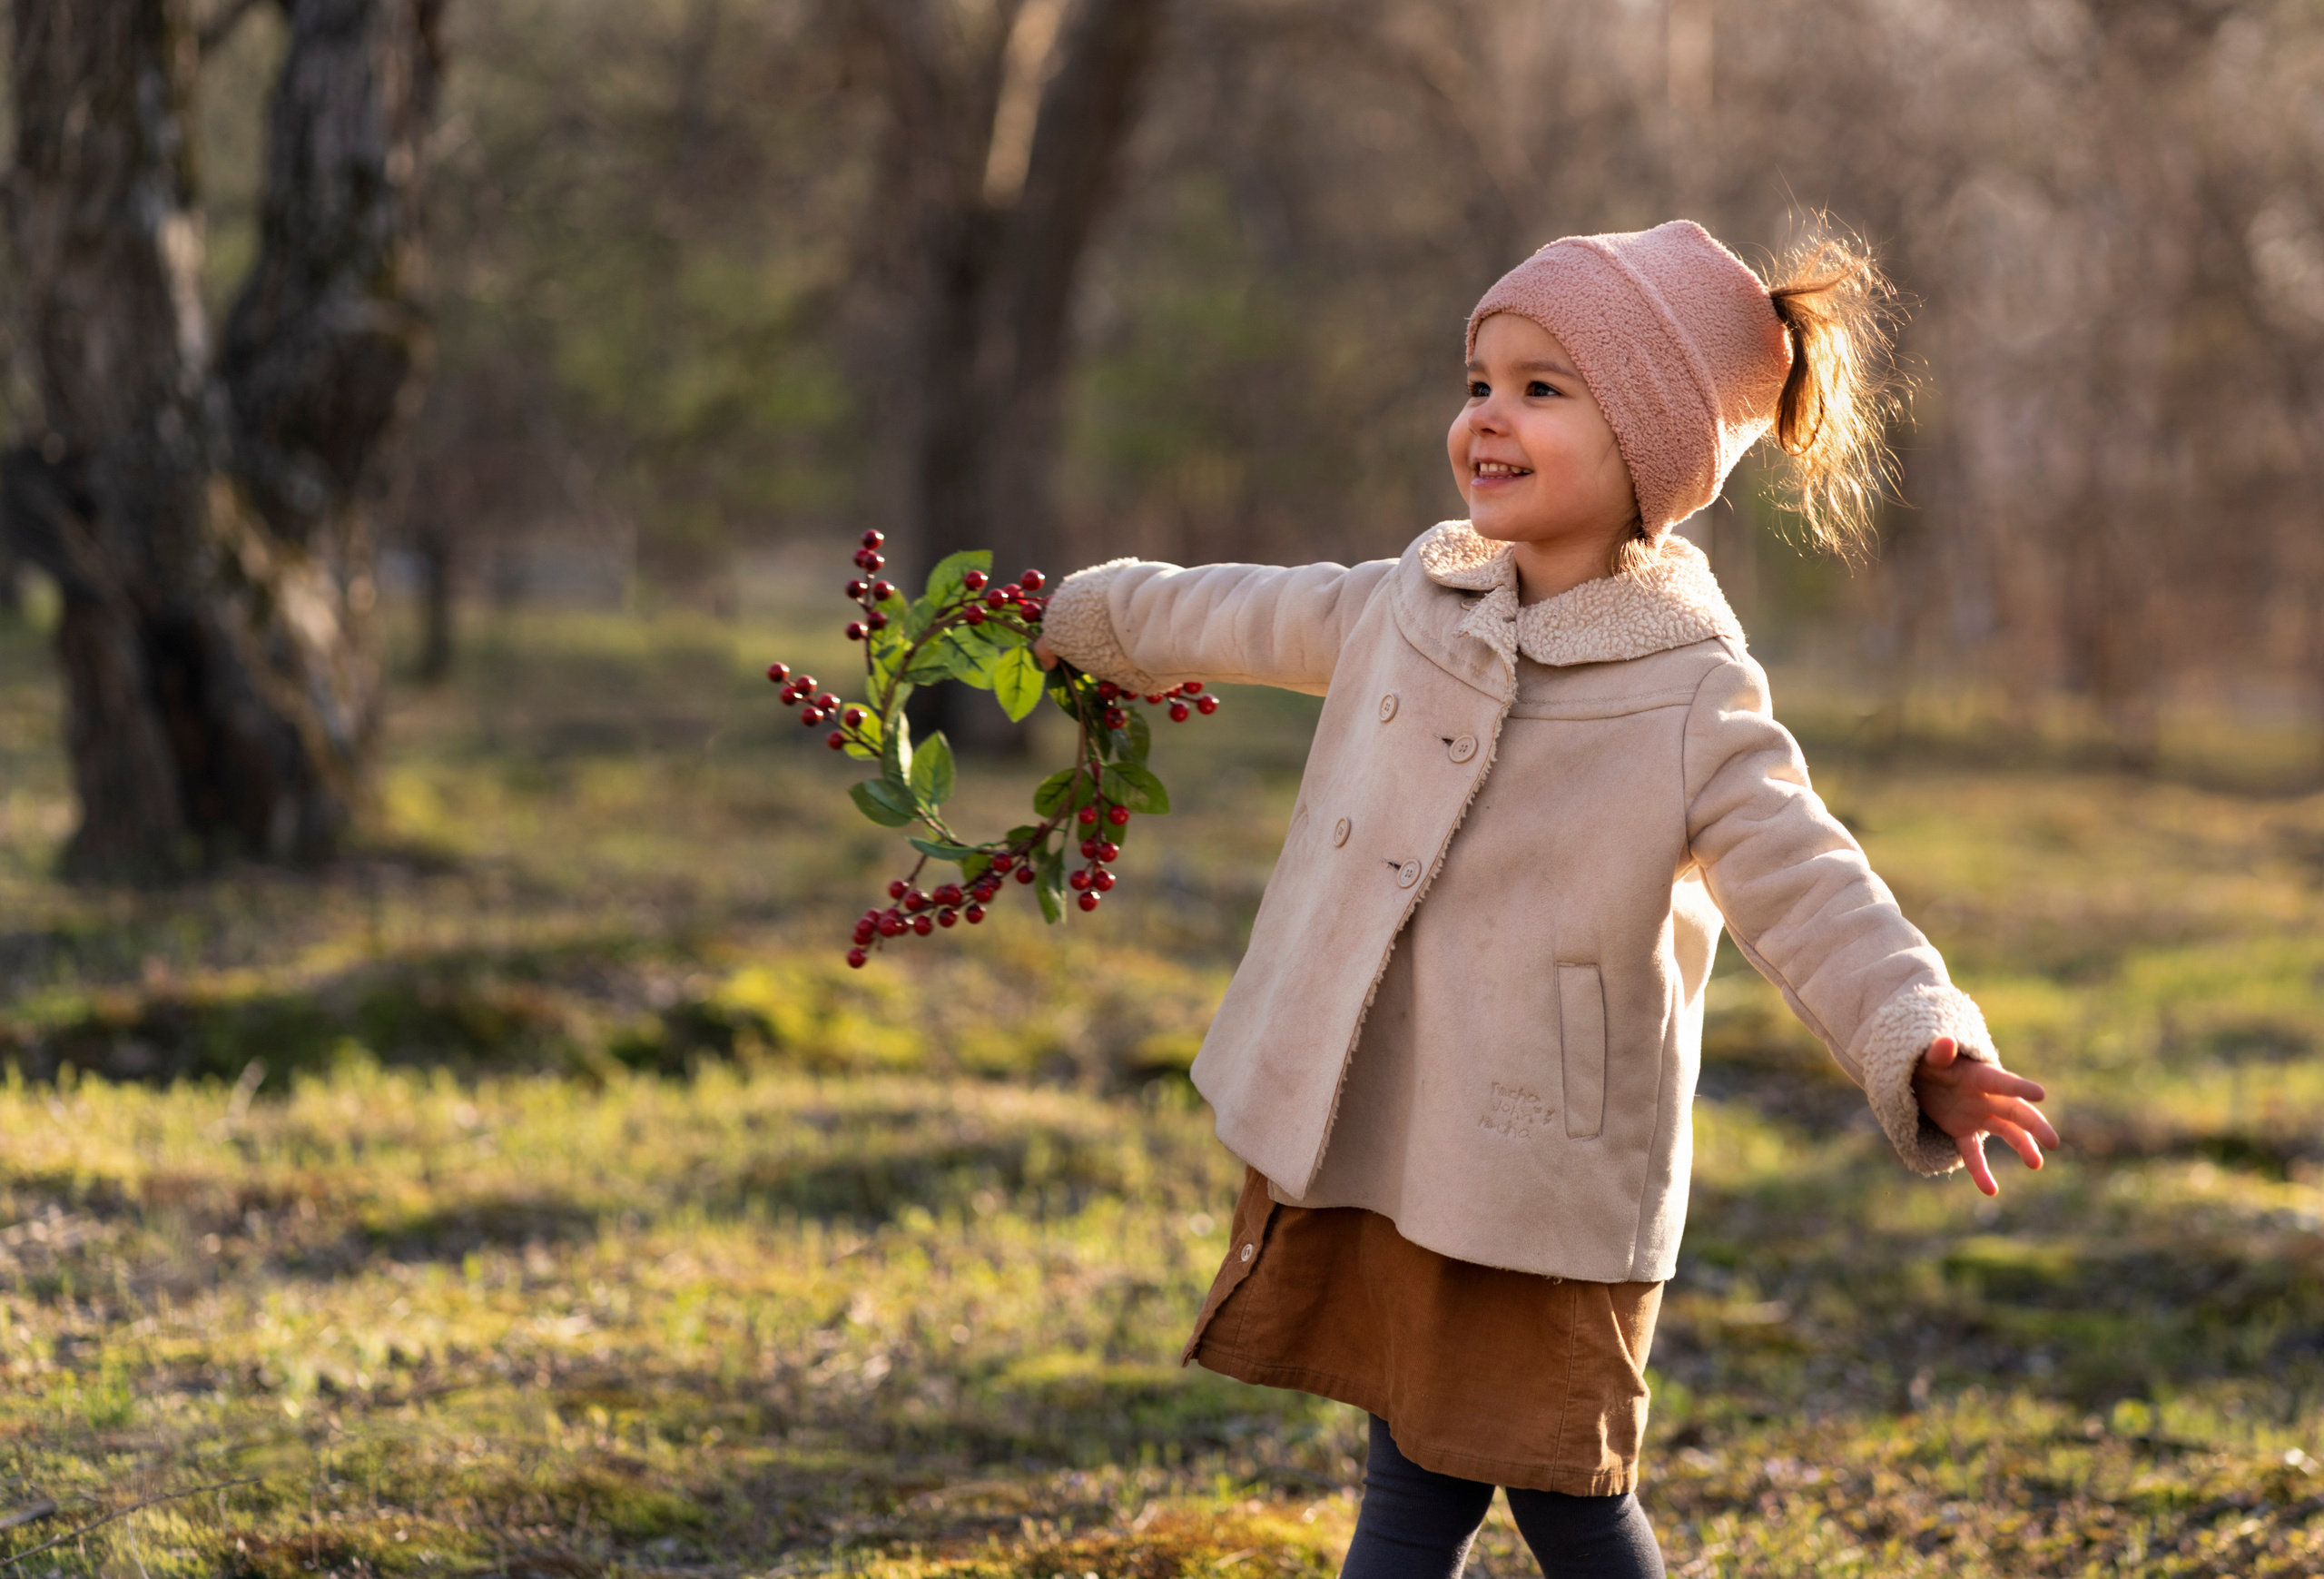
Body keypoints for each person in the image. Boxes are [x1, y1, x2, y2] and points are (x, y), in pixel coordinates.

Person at [1031, 221, 2058, 1579]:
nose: (1488, 420)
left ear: (1649, 448)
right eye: (1478, 382)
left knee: (1566, 1493)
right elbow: (1249, 613)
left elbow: (1809, 880)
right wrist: (1081, 618)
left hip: (1539, 1169)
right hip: (1392, 1135)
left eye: (1541, 389)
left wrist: (1916, 1036)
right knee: (1411, 1478)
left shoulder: (1691, 690)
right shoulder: (1419, 595)